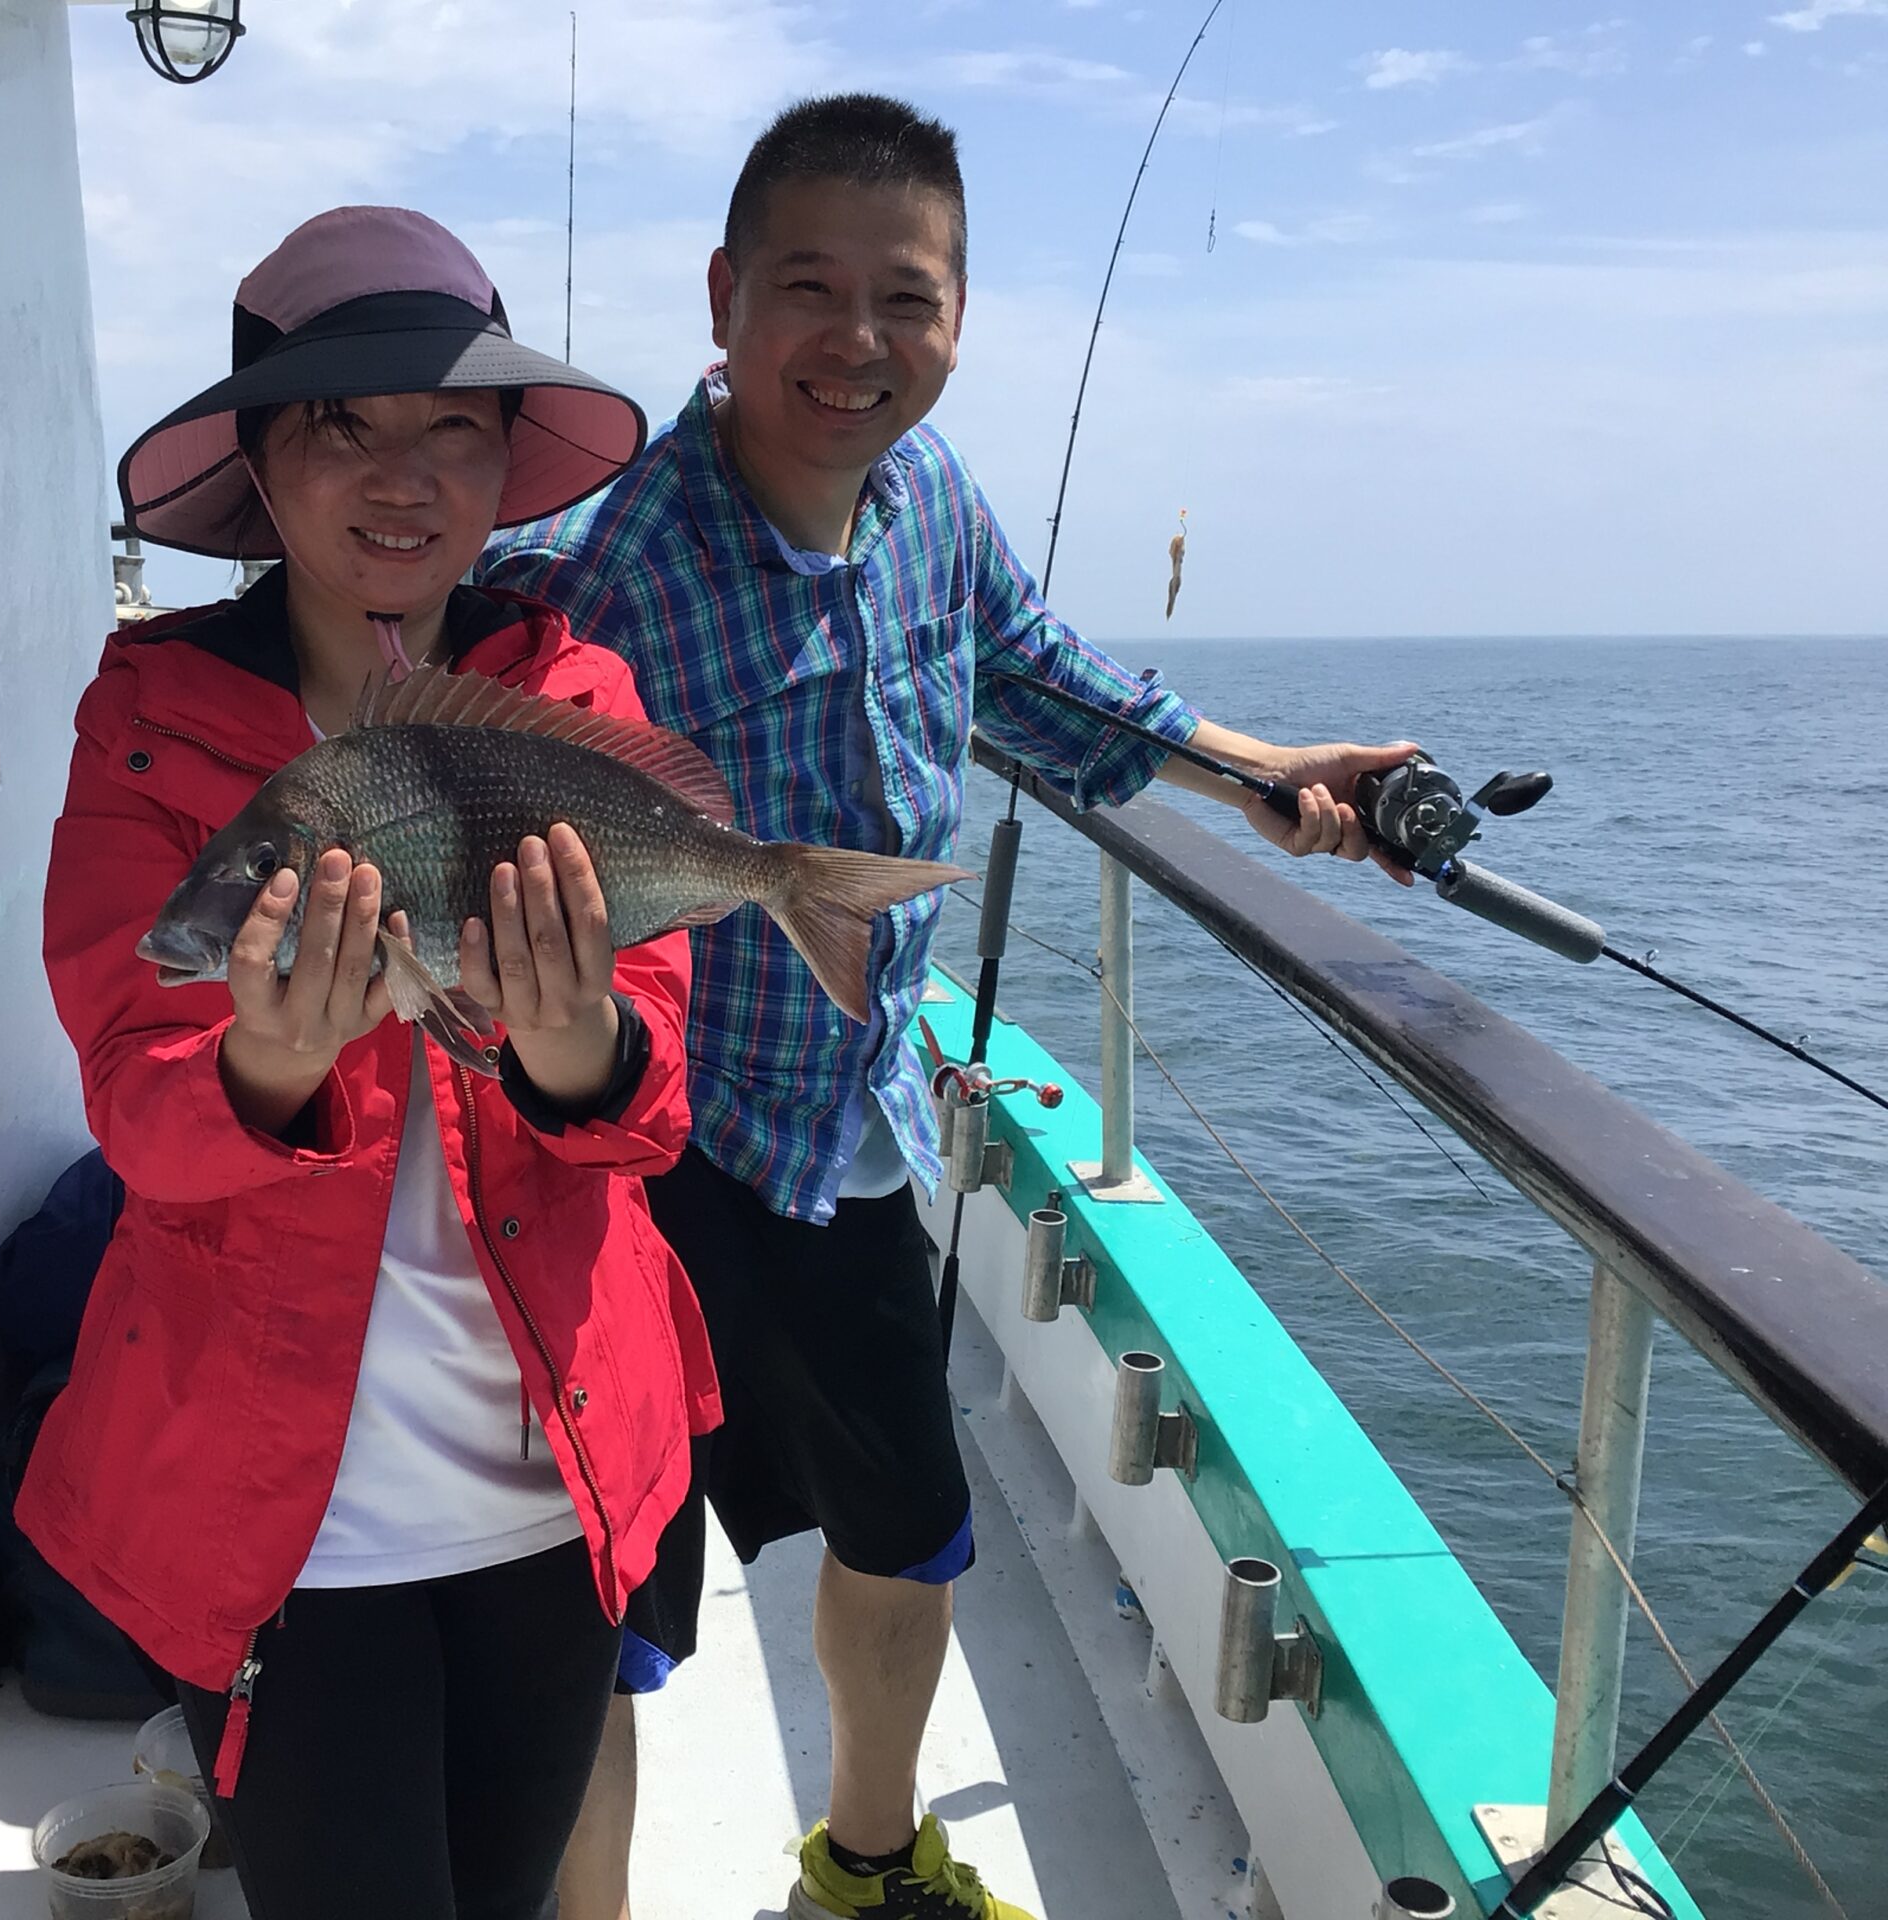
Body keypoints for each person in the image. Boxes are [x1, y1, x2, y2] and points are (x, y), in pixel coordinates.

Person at [480, 95, 1422, 1920]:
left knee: (908, 1536)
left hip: (847, 1138)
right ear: (723, 299)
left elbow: (1056, 689)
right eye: (808, 287)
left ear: (960, 321)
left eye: (903, 297)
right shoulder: (607, 567)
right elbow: (466, 761)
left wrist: (1266, 776)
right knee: (603, 1612)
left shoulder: (936, 507)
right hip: (632, 1149)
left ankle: (864, 1867)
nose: (856, 341)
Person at [17, 205, 722, 1920]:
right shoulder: (152, 725)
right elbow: (137, 1102)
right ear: (259, 461)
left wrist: (574, 1041)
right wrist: (266, 1062)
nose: (402, 477)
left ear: (503, 465)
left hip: (552, 1484)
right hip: (279, 1523)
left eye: (450, 428)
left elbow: (650, 1099)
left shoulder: (574, 690)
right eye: (342, 425)